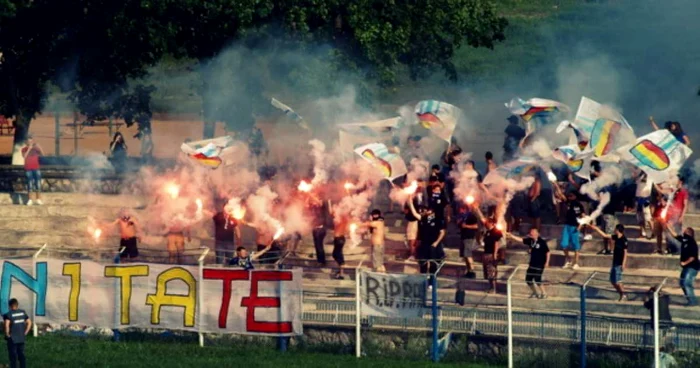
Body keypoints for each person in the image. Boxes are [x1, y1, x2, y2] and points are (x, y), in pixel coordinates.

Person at [408, 199, 446, 284]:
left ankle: (432, 283)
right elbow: (414, 213)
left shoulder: (438, 219)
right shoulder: (423, 218)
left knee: (433, 264)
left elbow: (442, 232)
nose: (424, 211)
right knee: (423, 263)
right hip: (424, 243)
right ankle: (423, 281)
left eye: (427, 210)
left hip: (433, 245)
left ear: (431, 211)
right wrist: (410, 202)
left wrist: (436, 243)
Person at [507, 226, 551, 299]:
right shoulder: (530, 241)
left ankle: (544, 293)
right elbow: (521, 240)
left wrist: (547, 262)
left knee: (537, 279)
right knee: (528, 279)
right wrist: (511, 236)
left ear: (537, 234)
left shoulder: (542, 242)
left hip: (539, 264)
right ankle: (535, 292)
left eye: (532, 233)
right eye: (530, 233)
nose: (530, 234)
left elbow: (548, 252)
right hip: (532, 264)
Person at [589, 223, 628, 301]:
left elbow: (625, 253)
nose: (614, 230)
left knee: (617, 281)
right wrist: (596, 229)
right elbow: (605, 236)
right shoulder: (616, 237)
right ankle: (622, 294)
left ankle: (623, 295)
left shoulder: (624, 240)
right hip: (614, 262)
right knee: (612, 281)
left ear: (618, 230)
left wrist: (623, 264)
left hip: (619, 263)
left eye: (615, 229)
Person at [665, 226, 699, 306]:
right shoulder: (685, 240)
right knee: (682, 282)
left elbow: (692, 257)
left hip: (692, 267)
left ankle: (693, 301)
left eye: (686, 231)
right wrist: (667, 225)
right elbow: (675, 235)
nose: (684, 231)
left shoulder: (692, 243)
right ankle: (690, 300)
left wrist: (684, 263)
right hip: (687, 267)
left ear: (689, 233)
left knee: (686, 283)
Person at [556, 190, 586, 269]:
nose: (569, 197)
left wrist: (580, 226)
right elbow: (560, 194)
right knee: (564, 244)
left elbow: (583, 216)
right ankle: (568, 260)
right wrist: (555, 183)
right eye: (569, 196)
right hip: (567, 226)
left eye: (571, 195)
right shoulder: (567, 202)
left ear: (575, 196)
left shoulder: (579, 205)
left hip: (575, 227)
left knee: (576, 246)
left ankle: (576, 263)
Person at [475, 212, 503, 294]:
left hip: (491, 254)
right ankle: (490, 287)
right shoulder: (486, 232)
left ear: (491, 223)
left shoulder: (496, 231)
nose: (485, 223)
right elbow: (481, 242)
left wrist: (495, 254)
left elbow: (496, 243)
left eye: (487, 222)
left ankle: (493, 288)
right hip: (486, 253)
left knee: (492, 272)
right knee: (487, 272)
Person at [3, 298, 31, 368]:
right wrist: (26, 332)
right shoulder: (23, 312)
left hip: (12, 338)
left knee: (13, 356)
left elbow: (7, 325)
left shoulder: (8, 314)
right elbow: (29, 322)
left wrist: (7, 335)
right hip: (21, 337)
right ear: (17, 305)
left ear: (9, 306)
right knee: (21, 355)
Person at [404, 179, 426, 261]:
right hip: (413, 220)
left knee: (418, 238)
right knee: (412, 238)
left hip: (421, 220)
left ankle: (418, 254)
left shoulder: (423, 195)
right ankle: (412, 254)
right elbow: (406, 209)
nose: (420, 187)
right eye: (418, 185)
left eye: (421, 185)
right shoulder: (411, 195)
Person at [458, 204, 479, 279]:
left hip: (469, 238)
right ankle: (468, 271)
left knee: (468, 255)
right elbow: (459, 225)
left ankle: (472, 271)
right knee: (465, 256)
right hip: (463, 237)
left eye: (461, 209)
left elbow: (476, 226)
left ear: (464, 209)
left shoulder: (471, 216)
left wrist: (466, 226)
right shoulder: (462, 217)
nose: (460, 211)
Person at [21, 135, 44, 206]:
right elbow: (24, 156)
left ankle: (38, 199)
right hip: (28, 168)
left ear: (32, 141)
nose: (29, 142)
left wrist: (40, 148)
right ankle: (30, 199)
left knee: (38, 184)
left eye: (30, 140)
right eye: (28, 141)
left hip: (36, 168)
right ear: (26, 142)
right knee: (30, 184)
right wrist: (29, 149)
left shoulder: (35, 149)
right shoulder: (24, 149)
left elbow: (43, 154)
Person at [329, 202, 349, 279]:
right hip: (340, 238)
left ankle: (341, 273)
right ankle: (340, 270)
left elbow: (334, 219)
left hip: (339, 238)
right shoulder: (345, 217)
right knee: (336, 254)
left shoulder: (340, 216)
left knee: (337, 255)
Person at [635, 171, 654, 239]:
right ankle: (642, 233)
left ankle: (653, 233)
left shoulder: (649, 175)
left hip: (646, 198)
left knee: (648, 217)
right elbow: (635, 180)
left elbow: (645, 181)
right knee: (640, 218)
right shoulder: (640, 174)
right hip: (638, 198)